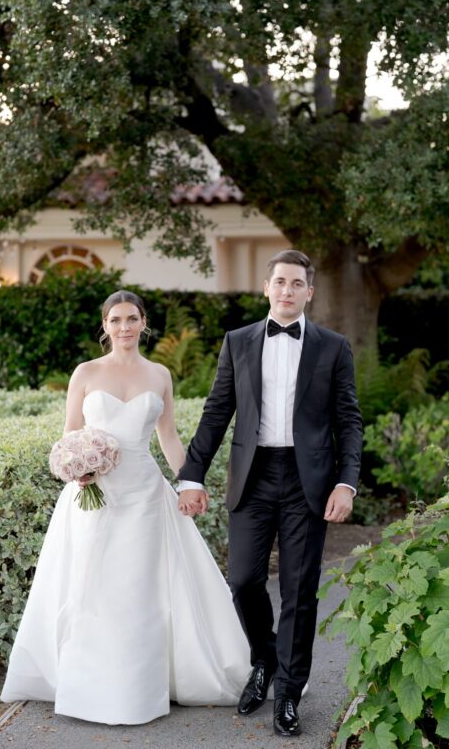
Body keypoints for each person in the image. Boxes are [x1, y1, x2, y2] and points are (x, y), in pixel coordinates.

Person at [0, 290, 250, 725]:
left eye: (132, 319)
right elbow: (70, 435)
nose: (124, 327)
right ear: (105, 325)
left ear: (143, 323)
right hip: (93, 497)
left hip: (145, 496)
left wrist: (189, 482)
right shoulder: (86, 372)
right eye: (116, 320)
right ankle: (89, 685)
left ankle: (140, 688)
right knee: (91, 585)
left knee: (138, 588)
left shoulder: (159, 375)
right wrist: (76, 467)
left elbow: (168, 438)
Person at [177, 250, 363, 738]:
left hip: (309, 480)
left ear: (309, 292)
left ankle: (288, 692)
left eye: (296, 283)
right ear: (266, 288)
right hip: (253, 475)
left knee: (300, 590)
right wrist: (191, 475)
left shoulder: (333, 346)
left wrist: (347, 482)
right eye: (279, 281)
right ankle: (264, 658)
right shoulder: (238, 341)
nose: (286, 290)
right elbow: (217, 412)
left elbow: (348, 421)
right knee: (242, 580)